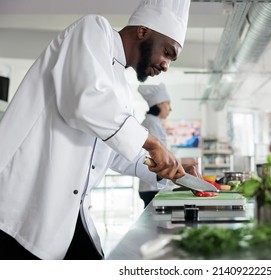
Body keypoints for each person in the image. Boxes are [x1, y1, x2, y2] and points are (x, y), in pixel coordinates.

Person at [0, 0, 193, 260]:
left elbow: (115, 153)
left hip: (65, 214)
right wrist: (154, 144)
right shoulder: (93, 29)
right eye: (167, 52)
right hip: (18, 209)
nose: (166, 65)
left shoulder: (121, 88)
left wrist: (170, 172)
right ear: (143, 31)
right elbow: (85, 101)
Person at [137, 83, 172, 207]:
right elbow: (154, 154)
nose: (170, 109)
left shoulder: (154, 122)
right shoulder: (151, 123)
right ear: (159, 104)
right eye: (168, 104)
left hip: (155, 183)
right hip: (152, 186)